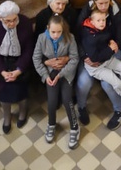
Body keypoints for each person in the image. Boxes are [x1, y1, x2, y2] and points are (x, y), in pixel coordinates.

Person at [80, 8, 121, 123]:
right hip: (96, 67)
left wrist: (112, 42)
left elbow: (107, 37)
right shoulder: (89, 37)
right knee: (115, 81)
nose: (102, 23)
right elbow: (94, 58)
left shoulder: (102, 28)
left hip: (107, 59)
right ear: (92, 22)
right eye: (98, 20)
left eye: (103, 20)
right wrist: (110, 49)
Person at [76, 0, 121, 129]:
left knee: (107, 83)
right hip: (89, 54)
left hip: (111, 51)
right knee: (83, 82)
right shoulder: (87, 11)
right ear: (94, 2)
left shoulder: (116, 12)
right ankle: (81, 107)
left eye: (106, 3)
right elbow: (77, 37)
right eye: (100, 3)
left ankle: (120, 110)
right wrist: (85, 56)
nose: (103, 7)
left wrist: (111, 47)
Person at [32, 15, 80, 148]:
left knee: (67, 100)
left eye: (59, 32)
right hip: (50, 72)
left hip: (66, 72)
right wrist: (45, 75)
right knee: (52, 101)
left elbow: (75, 58)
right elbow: (36, 59)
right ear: (48, 28)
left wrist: (61, 74)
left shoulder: (70, 38)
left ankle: (74, 127)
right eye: (53, 32)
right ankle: (51, 124)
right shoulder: (41, 38)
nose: (56, 35)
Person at [0, 1, 33, 133]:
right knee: (3, 92)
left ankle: (22, 112)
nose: (12, 24)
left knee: (21, 90)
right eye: (8, 21)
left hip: (20, 61)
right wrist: (2, 71)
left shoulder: (25, 23)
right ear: (1, 18)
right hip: (3, 62)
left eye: (14, 19)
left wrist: (19, 70)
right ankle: (7, 116)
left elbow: (28, 49)